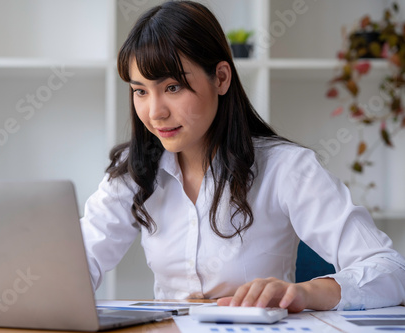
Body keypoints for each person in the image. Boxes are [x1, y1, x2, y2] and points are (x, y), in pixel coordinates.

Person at [80, 0, 405, 312]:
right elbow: (75, 264)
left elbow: (390, 270)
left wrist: (305, 292)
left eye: (173, 87)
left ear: (221, 78)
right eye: (140, 91)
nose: (154, 113)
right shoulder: (134, 173)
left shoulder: (286, 168)